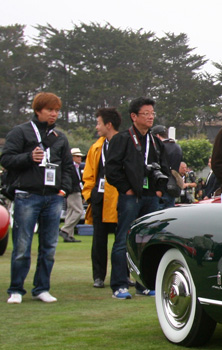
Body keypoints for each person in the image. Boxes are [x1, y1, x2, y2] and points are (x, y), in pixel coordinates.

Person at [0, 92, 77, 304]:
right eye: (50, 110)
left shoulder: (60, 137)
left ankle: (42, 288)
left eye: (57, 110)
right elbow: (5, 158)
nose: (54, 114)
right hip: (27, 195)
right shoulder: (20, 132)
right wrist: (28, 157)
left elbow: (68, 166)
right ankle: (16, 289)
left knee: (49, 247)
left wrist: (64, 190)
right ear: (38, 110)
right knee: (22, 246)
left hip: (53, 197)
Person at [106, 97, 168, 299]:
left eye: (152, 113)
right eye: (146, 113)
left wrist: (158, 191)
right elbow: (112, 170)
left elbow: (164, 168)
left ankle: (144, 283)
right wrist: (127, 189)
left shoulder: (155, 141)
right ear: (134, 116)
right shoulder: (122, 139)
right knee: (124, 239)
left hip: (150, 196)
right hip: (130, 197)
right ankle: (119, 285)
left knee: (147, 241)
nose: (150, 117)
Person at [83, 107, 121, 288]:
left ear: (109, 124)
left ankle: (122, 274)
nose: (97, 127)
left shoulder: (124, 143)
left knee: (121, 239)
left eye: (99, 123)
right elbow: (88, 175)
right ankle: (98, 276)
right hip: (99, 198)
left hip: (120, 198)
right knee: (98, 240)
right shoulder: (96, 147)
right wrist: (89, 195)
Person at [151, 125, 183, 208]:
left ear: (157, 136)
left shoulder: (160, 147)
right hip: (173, 185)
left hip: (161, 185)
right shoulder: (177, 147)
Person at [59, 147, 86, 241]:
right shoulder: (71, 167)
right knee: (79, 211)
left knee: (70, 212)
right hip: (73, 191)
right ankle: (65, 230)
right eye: (77, 156)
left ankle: (69, 236)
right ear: (72, 157)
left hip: (74, 191)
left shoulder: (76, 167)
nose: (80, 159)